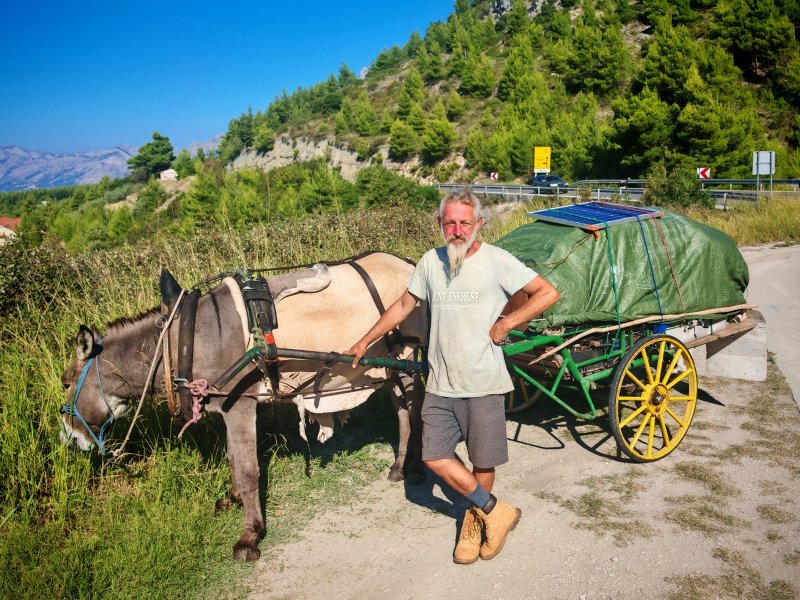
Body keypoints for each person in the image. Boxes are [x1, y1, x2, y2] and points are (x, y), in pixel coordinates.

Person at [347, 189, 560, 565]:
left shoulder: (497, 261)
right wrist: (365, 339)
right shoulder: (430, 261)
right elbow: (402, 305)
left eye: (465, 222)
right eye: (451, 223)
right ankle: (496, 511)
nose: (458, 230)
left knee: (482, 461)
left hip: (483, 381)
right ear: (440, 225)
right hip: (441, 383)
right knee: (433, 456)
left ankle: (473, 525)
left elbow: (546, 292)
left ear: (479, 223)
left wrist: (508, 322)